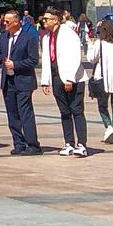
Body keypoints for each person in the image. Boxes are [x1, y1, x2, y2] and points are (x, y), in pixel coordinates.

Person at [40, 9, 89, 157]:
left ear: (56, 20)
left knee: (77, 110)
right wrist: (45, 81)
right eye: (44, 19)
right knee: (64, 112)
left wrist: (70, 78)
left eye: (47, 19)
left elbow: (75, 56)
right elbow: (47, 61)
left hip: (73, 78)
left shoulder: (68, 34)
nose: (44, 21)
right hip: (56, 78)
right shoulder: (46, 38)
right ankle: (69, 143)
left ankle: (82, 144)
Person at [0, 10, 42, 155]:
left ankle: (33, 145)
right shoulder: (4, 37)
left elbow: (33, 60)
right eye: (4, 21)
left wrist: (15, 65)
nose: (5, 24)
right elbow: (0, 55)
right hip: (8, 81)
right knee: (12, 114)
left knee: (25, 113)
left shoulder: (29, 38)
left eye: (7, 22)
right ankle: (19, 143)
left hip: (24, 81)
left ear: (16, 22)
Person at [85, 18, 113, 144]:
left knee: (102, 106)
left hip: (102, 79)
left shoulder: (100, 44)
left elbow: (91, 59)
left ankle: (109, 126)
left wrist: (89, 45)